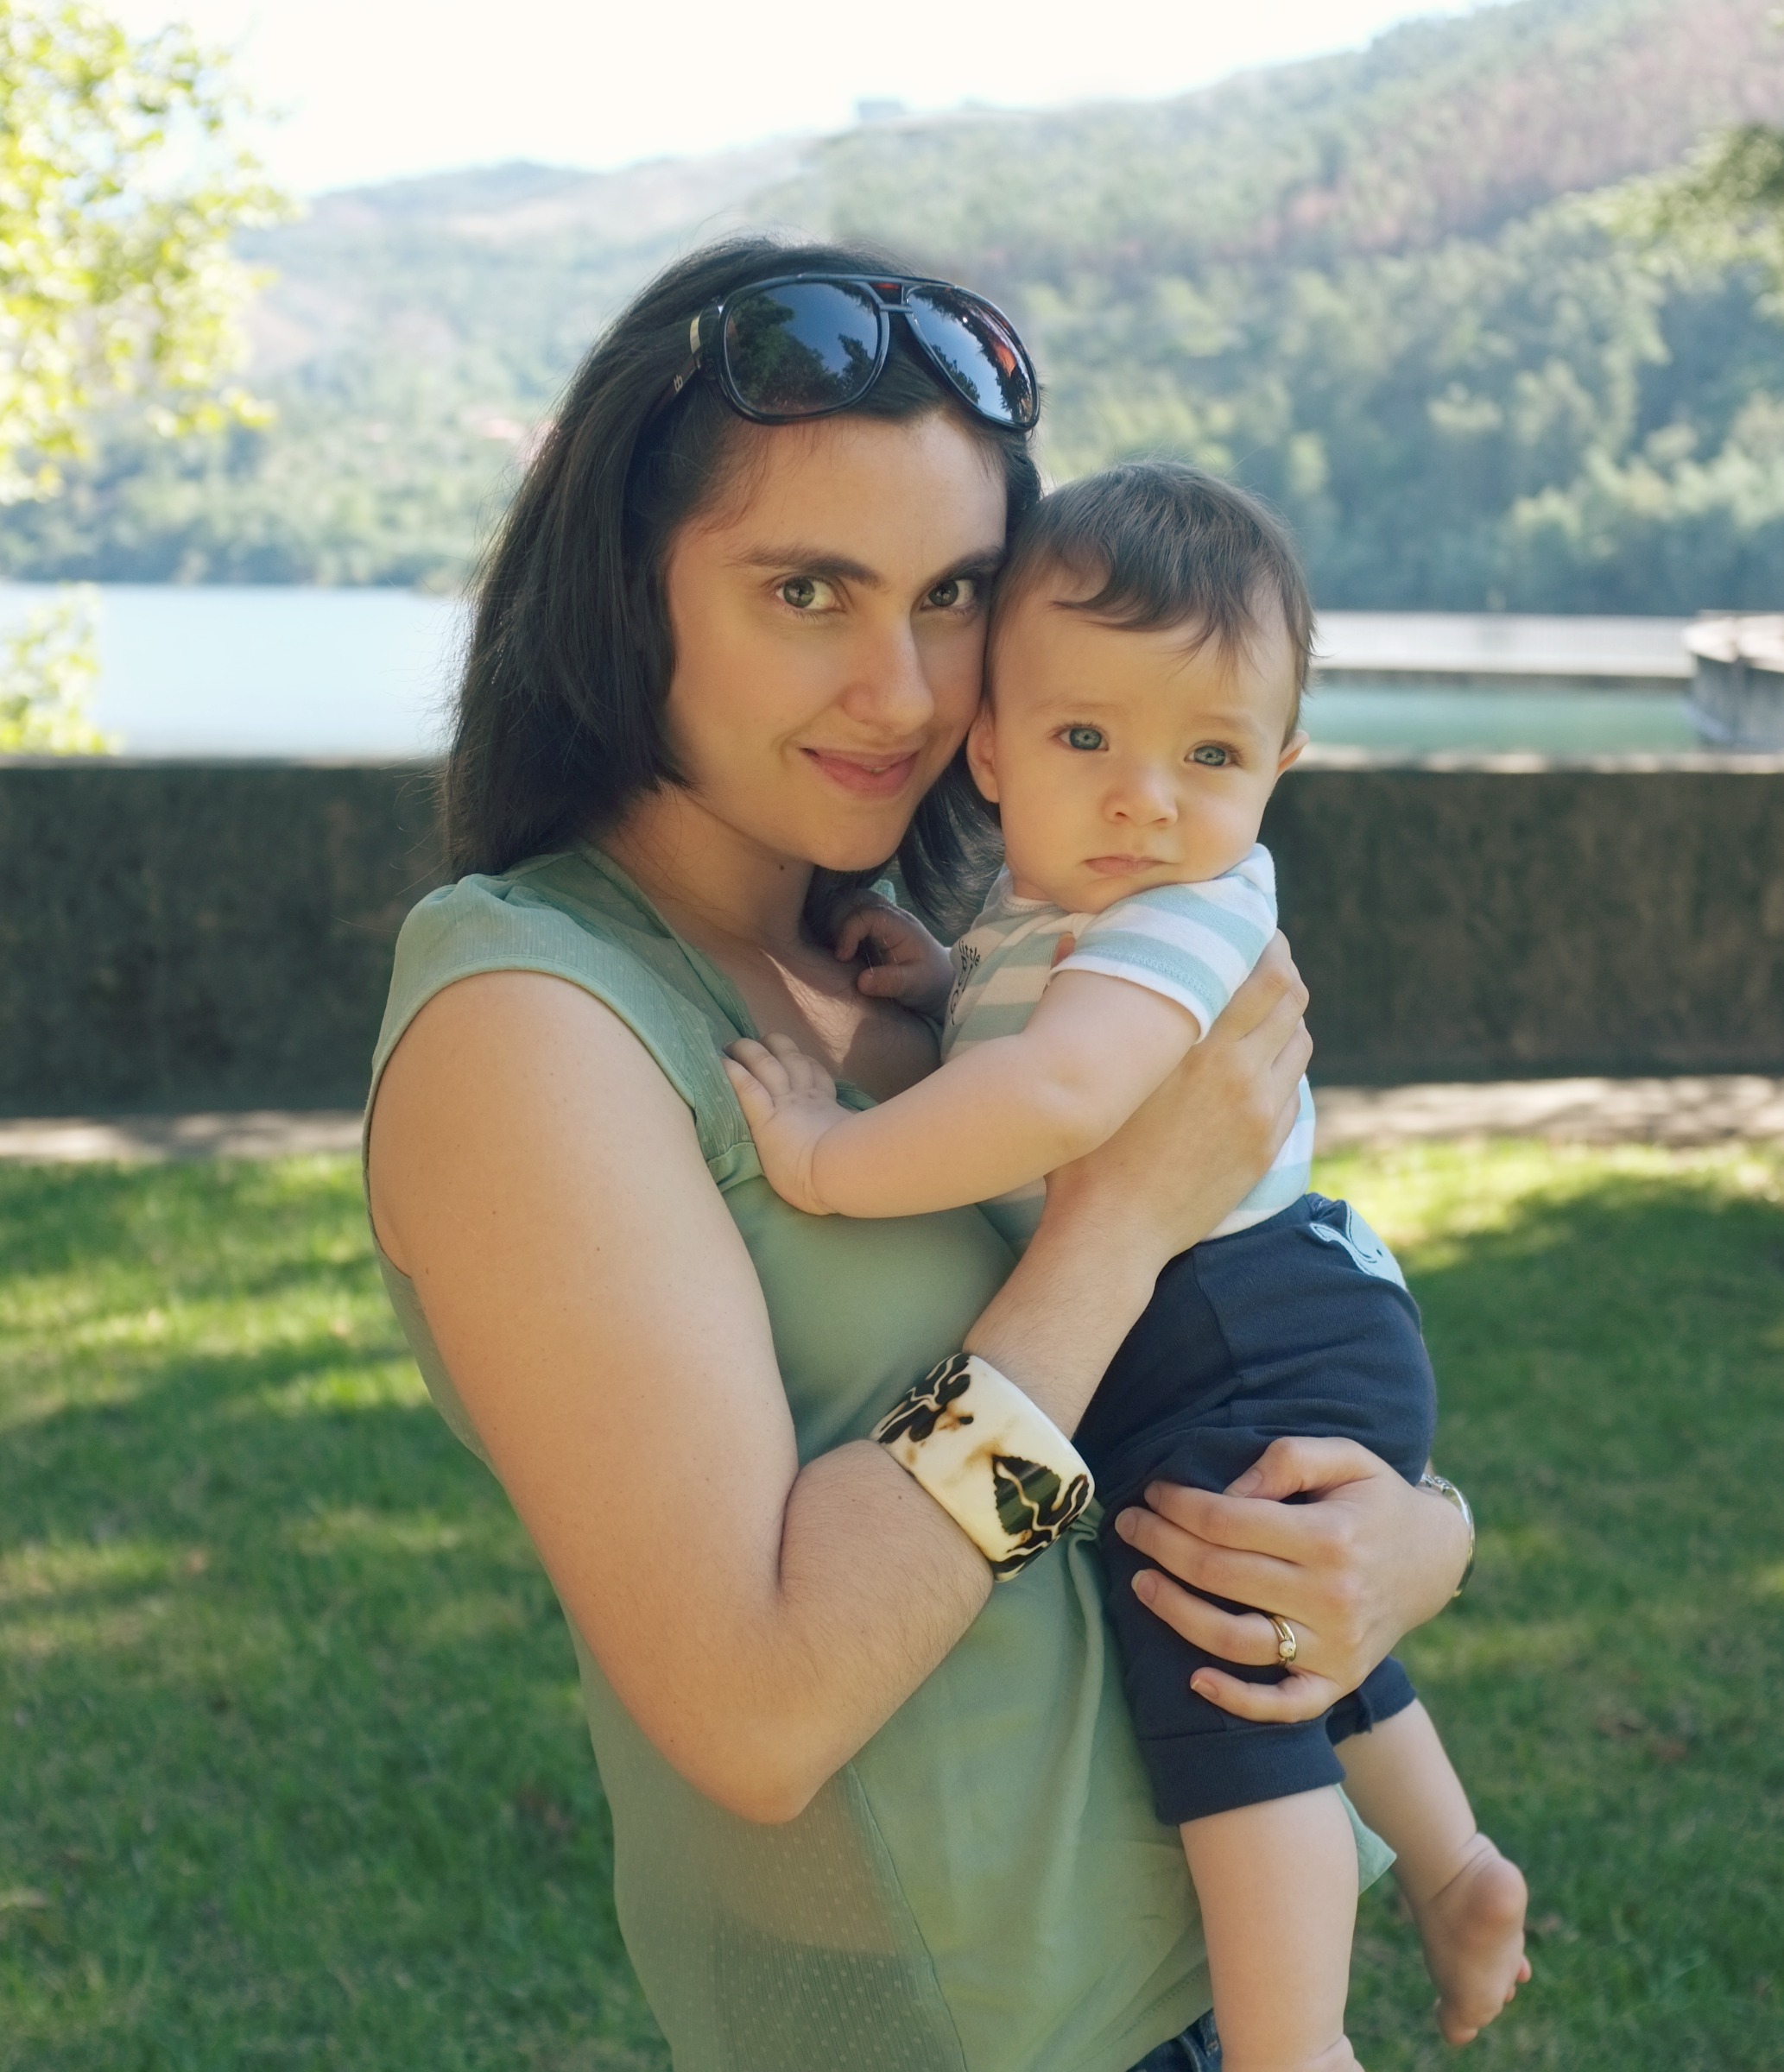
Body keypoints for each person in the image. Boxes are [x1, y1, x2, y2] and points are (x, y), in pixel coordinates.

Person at [364, 237, 1476, 2072]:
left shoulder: (922, 961)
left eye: (952, 594)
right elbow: (759, 1710)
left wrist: (1409, 1541)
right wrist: (1111, 1233)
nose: (899, 690)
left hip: (1211, 1975)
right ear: (625, 593)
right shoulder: (530, 1023)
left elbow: (1192, 1387)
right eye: (806, 589)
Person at [724, 461, 1530, 2072]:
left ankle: (1293, 2043)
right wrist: (942, 983)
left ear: (1279, 764)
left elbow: (1056, 1097)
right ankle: (1449, 1867)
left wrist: (821, 1157)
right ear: (993, 747)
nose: (1146, 800)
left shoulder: (1186, 911)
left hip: (1237, 1318)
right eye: (1087, 739)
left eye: (1209, 756)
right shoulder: (1060, 909)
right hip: (1241, 1306)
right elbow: (1034, 1030)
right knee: (1261, 1603)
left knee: (1215, 1670)